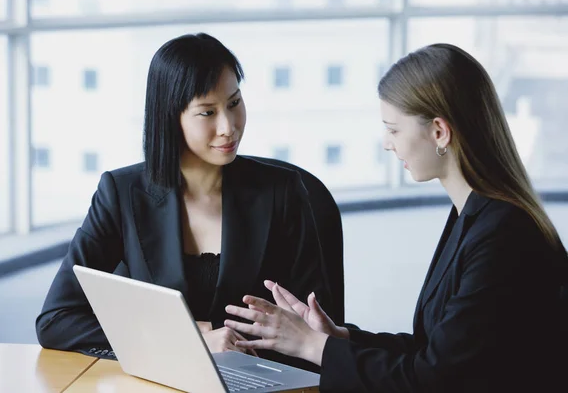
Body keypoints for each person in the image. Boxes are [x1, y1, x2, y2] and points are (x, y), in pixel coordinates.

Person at [224, 43, 568, 392]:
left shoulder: (503, 236)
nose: (387, 144)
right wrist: (336, 337)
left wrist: (311, 347)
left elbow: (432, 378)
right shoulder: (475, 213)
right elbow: (432, 349)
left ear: (439, 132)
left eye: (393, 129)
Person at [35, 33, 332, 366]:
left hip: (264, 380)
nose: (229, 127)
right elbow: (56, 320)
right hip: (162, 380)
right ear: (170, 117)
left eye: (234, 103)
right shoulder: (120, 193)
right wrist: (187, 339)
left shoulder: (282, 191)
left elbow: (317, 326)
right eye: (207, 113)